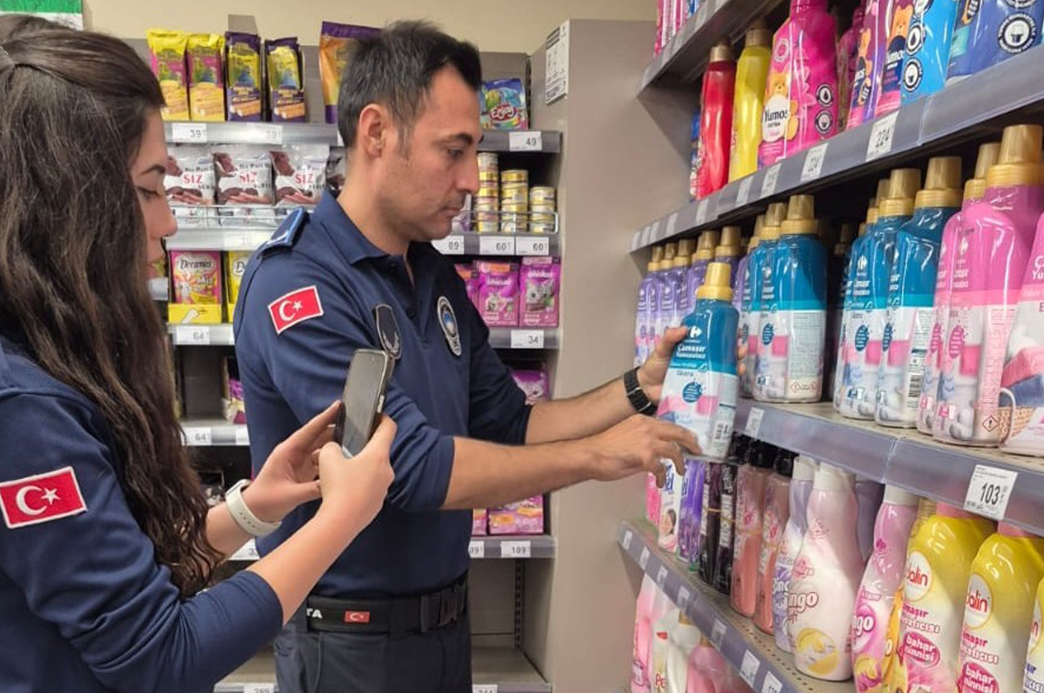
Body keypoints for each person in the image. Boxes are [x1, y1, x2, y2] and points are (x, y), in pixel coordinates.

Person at [0, 16, 394, 693]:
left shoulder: (21, 353)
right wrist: (344, 517)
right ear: (58, 200)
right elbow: (157, 656)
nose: (168, 220)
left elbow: (118, 591)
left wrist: (256, 508)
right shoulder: (11, 406)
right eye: (148, 187)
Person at [233, 21, 704, 693]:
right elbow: (410, 470)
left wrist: (635, 389)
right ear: (375, 133)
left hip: (445, 631)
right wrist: (598, 458)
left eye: (475, 152)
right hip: (348, 648)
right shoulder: (299, 283)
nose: (473, 180)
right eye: (453, 151)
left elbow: (509, 421)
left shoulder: (433, 277)